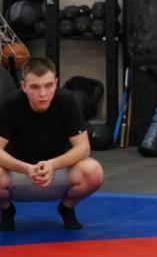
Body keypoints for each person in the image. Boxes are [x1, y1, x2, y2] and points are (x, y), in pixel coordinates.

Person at [0, 57, 103, 231]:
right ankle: (6, 210)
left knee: (93, 172)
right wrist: (26, 168)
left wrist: (52, 165)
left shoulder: (67, 101)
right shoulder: (11, 104)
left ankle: (67, 207)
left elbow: (83, 148)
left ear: (56, 83)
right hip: (19, 173)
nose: (43, 93)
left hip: (57, 172)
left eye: (48, 86)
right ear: (24, 86)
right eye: (35, 87)